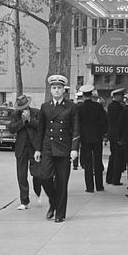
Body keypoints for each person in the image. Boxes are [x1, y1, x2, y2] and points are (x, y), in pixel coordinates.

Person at [34, 75, 80, 223]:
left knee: (61, 182)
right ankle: (53, 203)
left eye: (59, 88)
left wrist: (74, 149)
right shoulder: (45, 107)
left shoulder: (71, 107)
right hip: (48, 147)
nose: (56, 90)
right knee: (44, 177)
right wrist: (37, 149)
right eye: (54, 88)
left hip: (64, 148)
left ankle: (60, 213)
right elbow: (40, 129)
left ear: (64, 90)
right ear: (50, 90)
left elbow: (76, 129)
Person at [8, 94, 43, 210]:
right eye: (21, 108)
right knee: (21, 176)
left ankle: (38, 192)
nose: (23, 109)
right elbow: (11, 129)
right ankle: (24, 201)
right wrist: (22, 122)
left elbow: (40, 127)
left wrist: (29, 120)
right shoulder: (15, 115)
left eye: (25, 107)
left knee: (37, 173)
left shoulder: (36, 113)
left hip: (34, 147)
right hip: (21, 148)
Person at [75, 85, 108, 192]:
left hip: (85, 138)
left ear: (83, 95)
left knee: (87, 163)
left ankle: (89, 187)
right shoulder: (98, 107)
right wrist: (103, 134)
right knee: (98, 161)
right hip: (97, 137)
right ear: (91, 94)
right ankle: (99, 186)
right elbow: (104, 121)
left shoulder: (79, 108)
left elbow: (77, 124)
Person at [105, 88, 126, 185]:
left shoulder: (110, 106)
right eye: (121, 96)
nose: (122, 98)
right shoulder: (119, 107)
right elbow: (120, 123)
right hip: (118, 135)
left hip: (112, 134)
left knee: (113, 156)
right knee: (118, 157)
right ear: (117, 96)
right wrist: (120, 137)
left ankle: (109, 178)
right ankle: (115, 179)